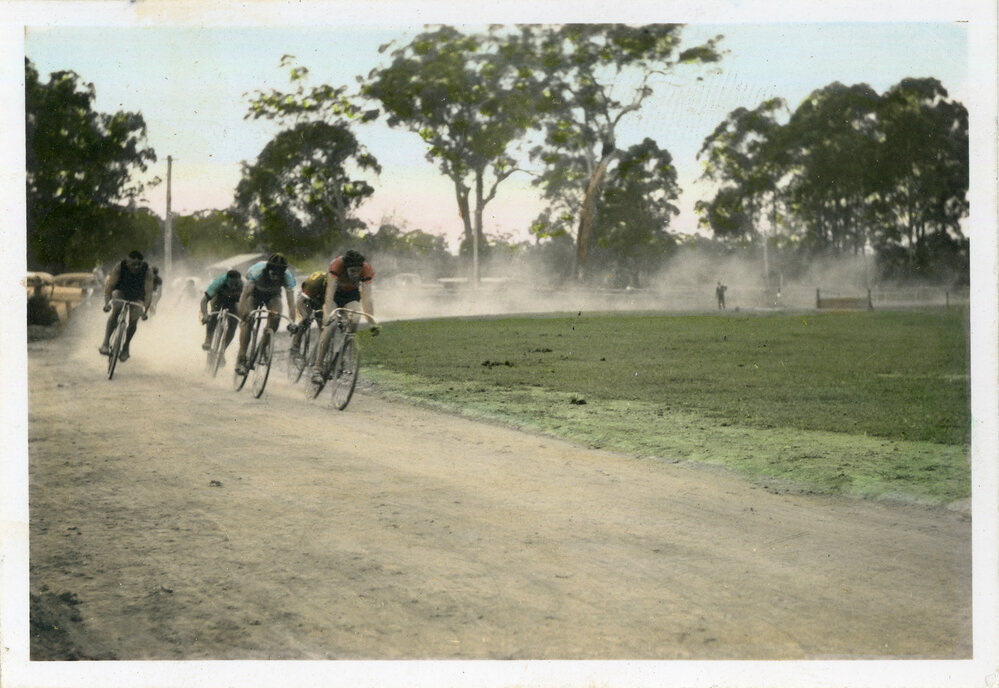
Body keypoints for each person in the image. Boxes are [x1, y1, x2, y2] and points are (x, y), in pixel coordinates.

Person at [310, 249, 378, 386]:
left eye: (358, 271)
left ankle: (342, 355)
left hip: (350, 296)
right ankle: (317, 368)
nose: (356, 274)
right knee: (330, 326)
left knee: (355, 318)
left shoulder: (366, 270)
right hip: (334, 294)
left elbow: (367, 299)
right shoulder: (336, 265)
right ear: (345, 268)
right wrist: (328, 315)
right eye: (352, 271)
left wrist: (372, 322)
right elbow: (329, 295)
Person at [235, 253, 297, 376]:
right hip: (254, 294)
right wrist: (242, 313)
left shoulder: (287, 276)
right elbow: (244, 294)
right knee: (249, 319)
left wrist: (292, 321)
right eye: (273, 274)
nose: (275, 277)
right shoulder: (257, 271)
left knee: (276, 316)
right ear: (268, 270)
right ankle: (242, 358)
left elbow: (291, 301)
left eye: (278, 275)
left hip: (273, 296)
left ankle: (263, 347)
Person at [99, 250, 153, 361]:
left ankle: (126, 347)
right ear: (127, 262)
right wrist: (107, 304)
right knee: (117, 309)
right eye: (134, 264)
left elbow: (148, 292)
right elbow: (109, 286)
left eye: (139, 264)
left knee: (134, 318)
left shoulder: (147, 270)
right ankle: (105, 342)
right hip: (120, 291)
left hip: (137, 295)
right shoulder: (120, 267)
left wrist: (145, 311)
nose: (137, 267)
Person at [199, 269, 244, 360]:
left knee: (233, 323)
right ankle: (208, 338)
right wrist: (205, 314)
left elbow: (245, 304)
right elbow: (204, 300)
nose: (233, 287)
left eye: (236, 285)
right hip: (219, 297)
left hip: (234, 301)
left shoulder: (244, 285)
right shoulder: (219, 282)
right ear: (226, 281)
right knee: (214, 314)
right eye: (231, 284)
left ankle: (222, 351)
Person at [289, 270, 327, 366]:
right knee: (305, 320)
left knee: (325, 328)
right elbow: (302, 300)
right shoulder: (316, 281)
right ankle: (295, 348)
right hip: (306, 299)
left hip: (321, 302)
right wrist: (306, 317)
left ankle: (318, 358)